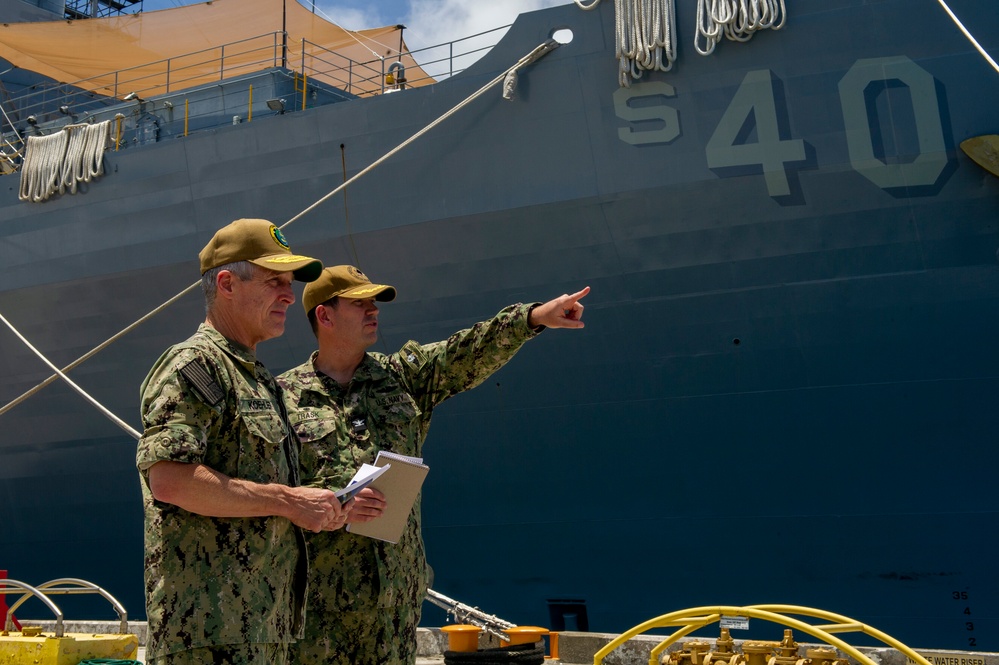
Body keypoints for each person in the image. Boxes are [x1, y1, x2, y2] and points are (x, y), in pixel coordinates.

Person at [278, 264, 589, 664]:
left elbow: (464, 352)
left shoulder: (402, 378)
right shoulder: (283, 400)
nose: (373, 310)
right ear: (325, 315)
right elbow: (269, 495)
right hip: (319, 613)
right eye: (360, 304)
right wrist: (329, 503)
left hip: (394, 609)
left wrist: (532, 318)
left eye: (375, 303)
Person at [135, 219, 350, 665]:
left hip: (263, 632)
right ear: (227, 284)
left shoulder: (257, 380)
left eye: (290, 284)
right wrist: (288, 501)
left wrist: (329, 505)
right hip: (209, 637)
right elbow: (170, 481)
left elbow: (266, 493)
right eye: (275, 282)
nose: (290, 296)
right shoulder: (195, 365)